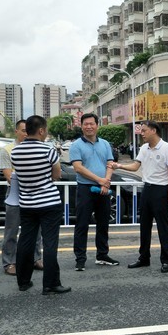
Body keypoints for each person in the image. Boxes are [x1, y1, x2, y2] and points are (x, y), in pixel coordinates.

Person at [11, 115, 71, 295]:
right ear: (41, 130)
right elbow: (57, 174)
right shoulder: (48, 150)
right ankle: (50, 284)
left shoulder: (16, 151)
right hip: (49, 202)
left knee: (26, 241)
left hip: (27, 203)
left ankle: (23, 281)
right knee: (50, 243)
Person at [112, 120, 168, 273]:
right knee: (144, 226)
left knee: (163, 227)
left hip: (161, 190)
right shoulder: (144, 148)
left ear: (154, 130)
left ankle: (165, 260)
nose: (141, 134)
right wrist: (119, 165)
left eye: (144, 131)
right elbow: (135, 166)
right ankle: (144, 258)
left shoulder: (167, 148)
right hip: (146, 189)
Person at [70, 113, 119, 271]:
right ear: (81, 126)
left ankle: (102, 255)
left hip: (103, 188)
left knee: (103, 223)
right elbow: (78, 167)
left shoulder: (104, 144)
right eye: (86, 124)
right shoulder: (76, 145)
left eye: (92, 124)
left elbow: (110, 163)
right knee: (82, 224)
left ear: (97, 125)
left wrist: (106, 182)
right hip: (85, 189)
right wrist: (100, 180)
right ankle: (80, 259)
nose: (89, 127)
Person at [0, 119, 43, 276]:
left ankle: (36, 258)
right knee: (12, 230)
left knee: (36, 229)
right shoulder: (7, 150)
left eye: (27, 130)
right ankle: (9, 262)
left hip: (34, 194)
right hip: (15, 195)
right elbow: (9, 176)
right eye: (23, 130)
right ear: (16, 132)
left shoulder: (37, 149)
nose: (25, 133)